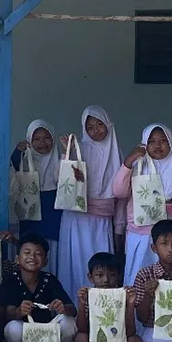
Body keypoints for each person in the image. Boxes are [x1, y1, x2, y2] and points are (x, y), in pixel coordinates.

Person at [115, 124, 172, 284]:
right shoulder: (136, 168)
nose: (157, 145)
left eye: (163, 141)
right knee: (139, 282)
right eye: (152, 141)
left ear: (171, 143)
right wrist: (128, 162)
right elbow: (119, 192)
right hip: (141, 236)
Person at [56, 106, 124, 301]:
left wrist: (119, 229)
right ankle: (76, 312)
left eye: (100, 124)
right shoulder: (79, 148)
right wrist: (67, 155)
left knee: (102, 269)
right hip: (76, 219)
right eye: (90, 127)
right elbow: (58, 179)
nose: (96, 131)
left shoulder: (117, 153)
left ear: (108, 125)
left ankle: (102, 310)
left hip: (101, 221)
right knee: (77, 264)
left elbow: (121, 196)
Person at [0, 233, 77, 342]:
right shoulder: (11, 281)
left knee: (68, 322)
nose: (32, 257)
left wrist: (63, 308)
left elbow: (72, 309)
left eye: (38, 253)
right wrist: (19, 312)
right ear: (17, 258)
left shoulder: (49, 279)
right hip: (24, 329)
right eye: (27, 252)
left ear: (45, 261)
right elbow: (8, 313)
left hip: (47, 331)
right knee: (12, 328)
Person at [74, 252, 143, 342]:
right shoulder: (89, 296)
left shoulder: (122, 296)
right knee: (80, 339)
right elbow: (81, 329)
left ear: (118, 277)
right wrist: (81, 303)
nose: (106, 280)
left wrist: (130, 305)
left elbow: (130, 332)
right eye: (99, 275)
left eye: (112, 275)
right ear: (90, 277)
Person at [12, 120, 62, 269]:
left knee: (52, 256)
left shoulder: (61, 158)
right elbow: (11, 169)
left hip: (52, 213)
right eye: (36, 139)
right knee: (31, 252)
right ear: (29, 140)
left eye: (47, 138)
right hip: (30, 214)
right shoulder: (22, 158)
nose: (42, 143)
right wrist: (18, 152)